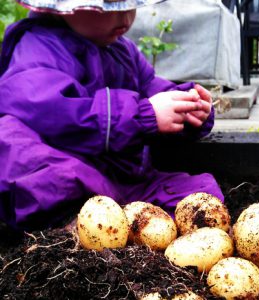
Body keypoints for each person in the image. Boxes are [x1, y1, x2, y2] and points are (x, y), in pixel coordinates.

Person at [0, 0, 223, 230]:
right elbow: (49, 110)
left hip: (124, 177)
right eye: (110, 7)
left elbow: (149, 85)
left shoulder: (121, 49)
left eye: (130, 6)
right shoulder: (37, 47)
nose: (125, 18)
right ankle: (72, 226)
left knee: (203, 200)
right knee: (13, 143)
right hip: (74, 179)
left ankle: (135, 232)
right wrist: (142, 115)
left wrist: (184, 104)